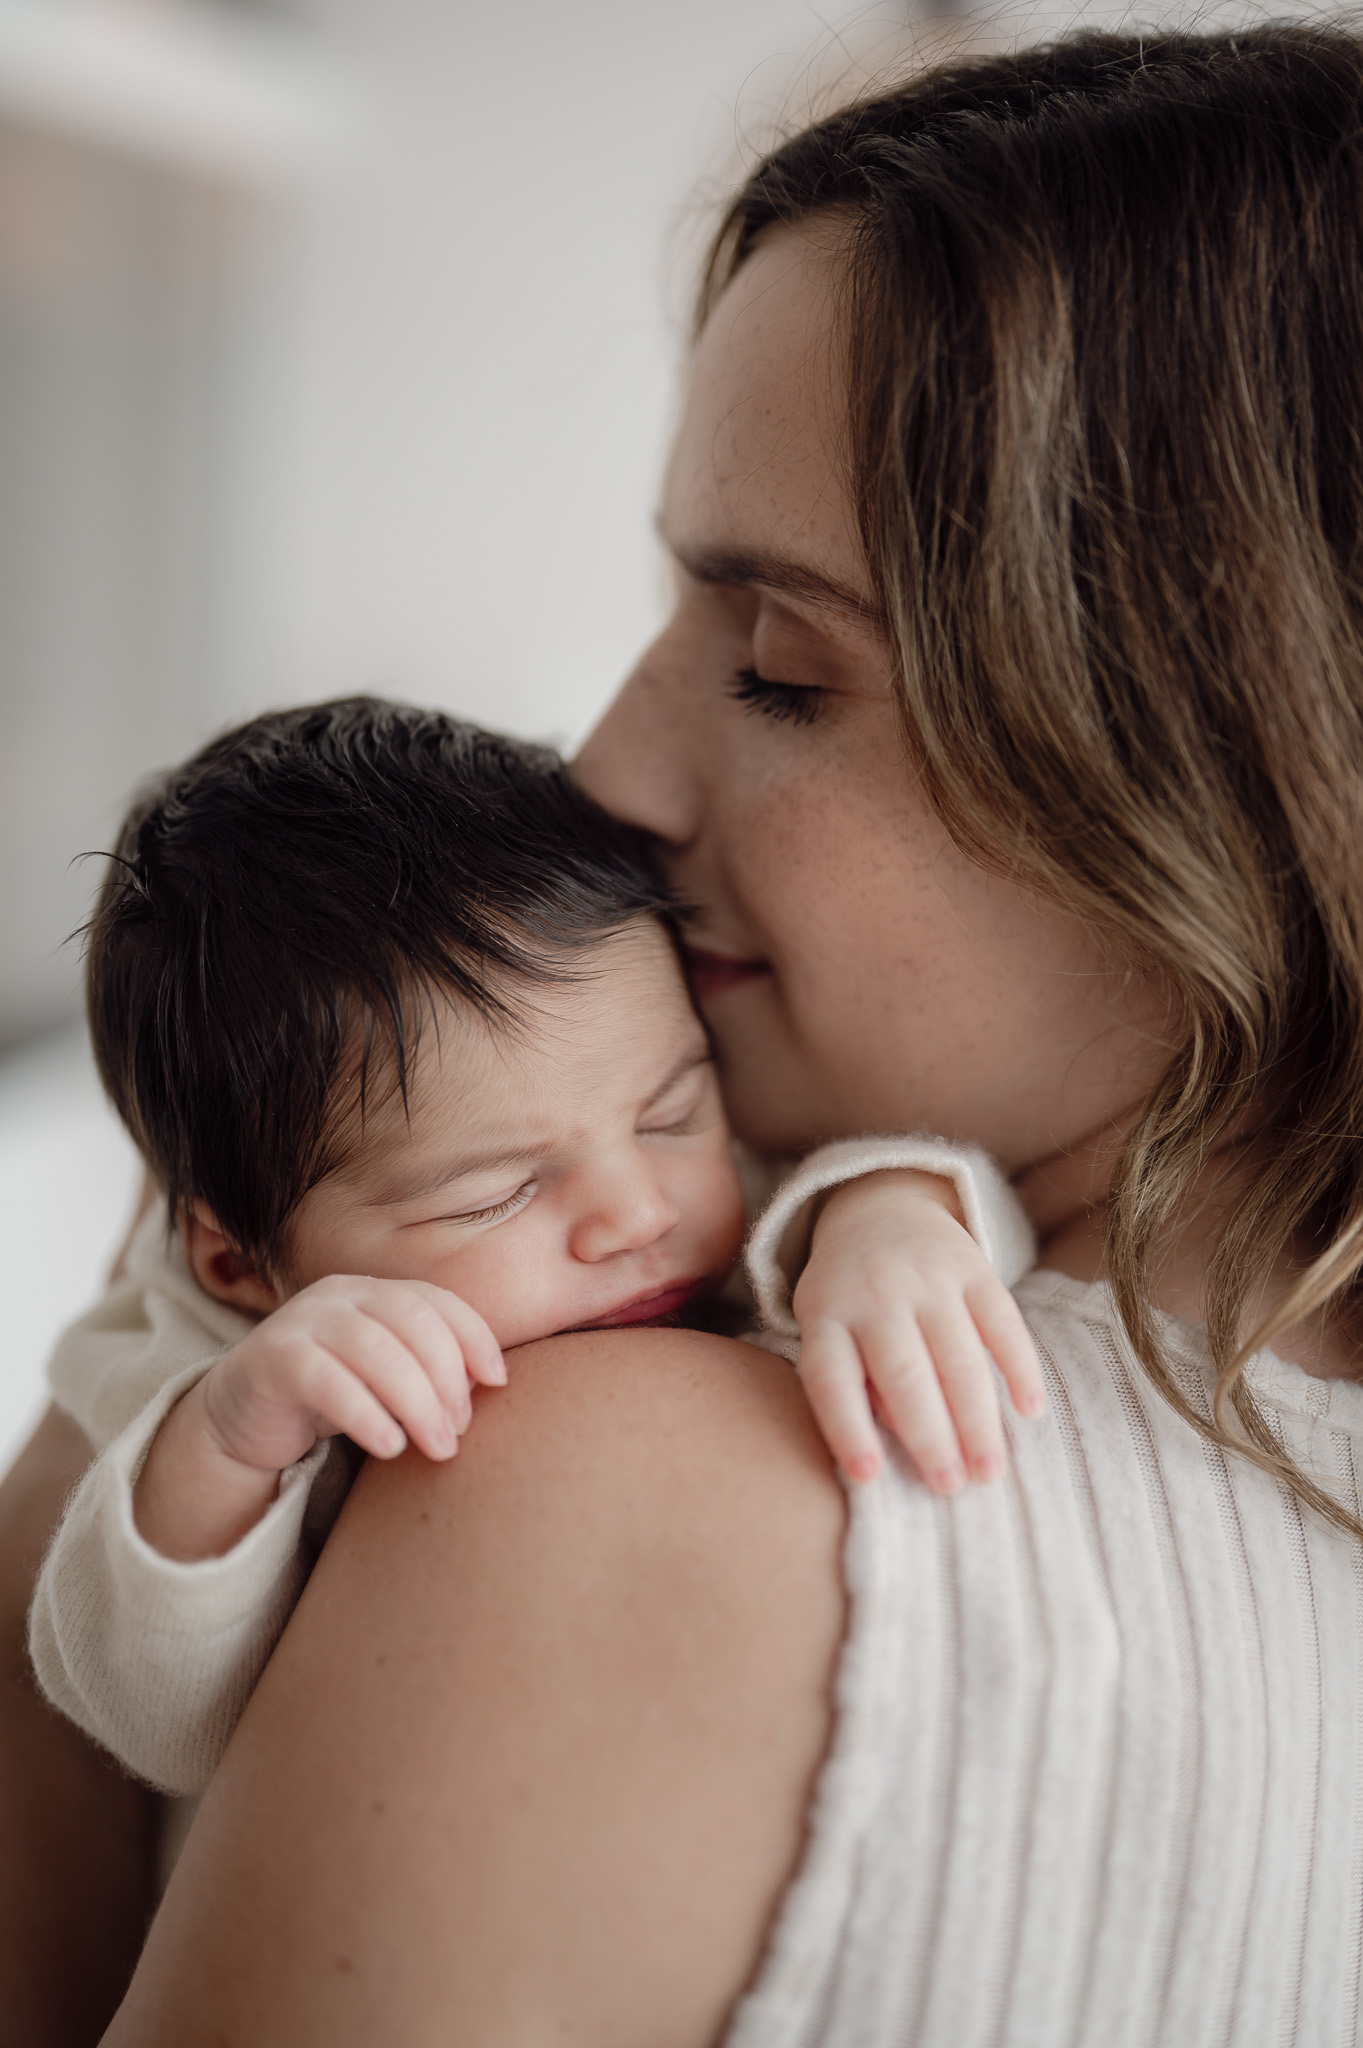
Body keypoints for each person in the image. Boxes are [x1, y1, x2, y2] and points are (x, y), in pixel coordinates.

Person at [7, 19, 1363, 2045]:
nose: (607, 768)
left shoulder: (603, 1484)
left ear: (1250, 779)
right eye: (665, 614)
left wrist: (96, 1428)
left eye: (784, 669)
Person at [28, 695, 1034, 1797]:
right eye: (497, 1192)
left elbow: (865, 1190)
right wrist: (226, 1441)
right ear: (242, 1266)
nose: (636, 1211)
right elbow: (157, 1722)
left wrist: (885, 1213)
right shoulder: (203, 1356)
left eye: (672, 1111)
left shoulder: (694, 1192)